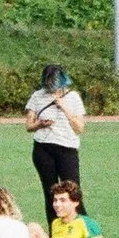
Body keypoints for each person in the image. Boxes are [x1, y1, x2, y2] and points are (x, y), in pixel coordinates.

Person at [26, 64, 87, 214]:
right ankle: (55, 233)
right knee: (51, 194)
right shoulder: (37, 96)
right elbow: (28, 126)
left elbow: (79, 128)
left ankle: (85, 231)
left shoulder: (73, 97)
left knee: (73, 193)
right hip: (43, 148)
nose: (51, 86)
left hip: (67, 148)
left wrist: (64, 108)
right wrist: (39, 124)